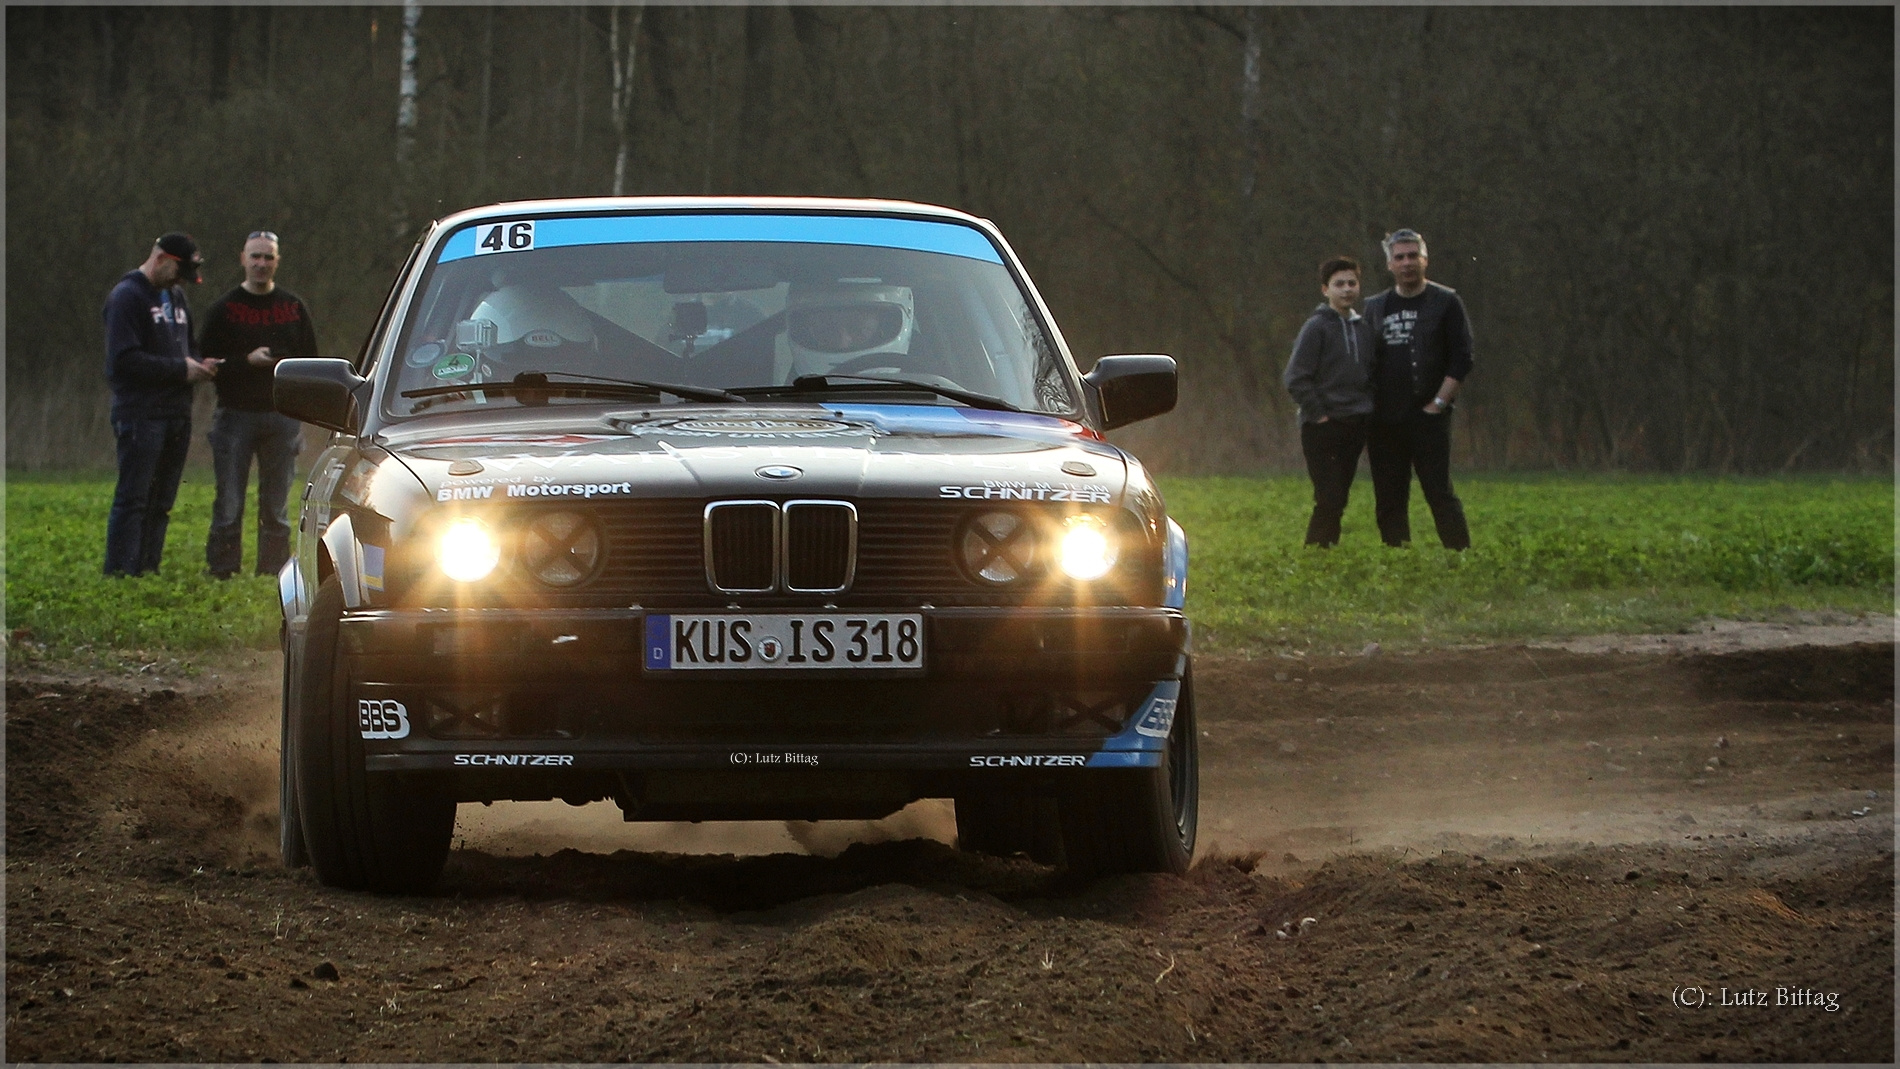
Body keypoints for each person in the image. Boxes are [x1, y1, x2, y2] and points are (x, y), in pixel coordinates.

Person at [201, 231, 320, 579]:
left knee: (276, 505)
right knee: (229, 502)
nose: (261, 264)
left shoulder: (293, 308)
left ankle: (272, 573)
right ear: (243, 259)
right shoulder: (224, 309)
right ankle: (222, 571)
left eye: (268, 258)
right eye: (255, 257)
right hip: (234, 415)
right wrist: (246, 361)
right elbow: (207, 364)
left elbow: (310, 363)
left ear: (277, 262)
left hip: (281, 417)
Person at [102, 232, 219, 577]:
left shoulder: (177, 297)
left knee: (161, 502)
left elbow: (188, 347)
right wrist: (180, 369)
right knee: (133, 499)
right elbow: (122, 361)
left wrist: (199, 363)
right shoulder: (127, 297)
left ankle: (148, 569)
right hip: (141, 414)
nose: (182, 280)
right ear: (162, 259)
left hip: (176, 413)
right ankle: (122, 573)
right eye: (179, 271)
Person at [1364, 228, 1472, 550]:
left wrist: (1438, 403)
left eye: (1413, 256)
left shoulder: (1446, 302)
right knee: (1389, 498)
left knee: (1439, 493)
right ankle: (1399, 563)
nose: (1407, 263)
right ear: (1390, 265)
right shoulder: (1374, 307)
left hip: (1429, 418)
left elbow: (1462, 359)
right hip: (1384, 420)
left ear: (1425, 260)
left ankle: (1460, 558)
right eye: (1400, 257)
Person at [1282, 255, 1374, 546]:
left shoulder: (1364, 329)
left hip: (1355, 423)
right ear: (1325, 290)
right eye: (1339, 284)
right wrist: (1319, 415)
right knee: (1329, 495)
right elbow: (1295, 377)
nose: (1346, 289)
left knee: (1340, 496)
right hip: (1322, 427)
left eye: (1351, 283)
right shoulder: (1316, 327)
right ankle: (1316, 552)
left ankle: (1326, 551)